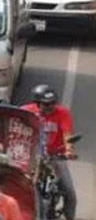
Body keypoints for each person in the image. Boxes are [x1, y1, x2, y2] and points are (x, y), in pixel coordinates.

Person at [22, 84, 77, 220]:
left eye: (53, 103)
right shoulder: (26, 112)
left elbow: (67, 134)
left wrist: (69, 149)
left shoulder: (63, 113)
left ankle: (70, 217)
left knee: (69, 192)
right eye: (46, 104)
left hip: (55, 156)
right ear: (37, 103)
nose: (50, 107)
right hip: (32, 157)